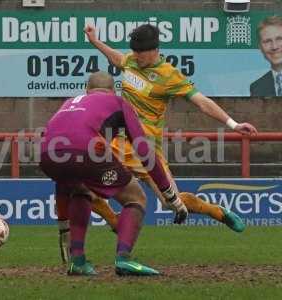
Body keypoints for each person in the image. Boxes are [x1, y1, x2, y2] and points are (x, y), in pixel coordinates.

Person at [66, 23, 258, 255]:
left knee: (171, 202)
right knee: (83, 188)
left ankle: (216, 212)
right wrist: (95, 42)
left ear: (154, 50)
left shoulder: (169, 76)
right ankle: (116, 223)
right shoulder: (131, 62)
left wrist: (233, 124)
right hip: (119, 144)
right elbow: (118, 59)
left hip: (147, 149)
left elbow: (201, 102)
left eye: (139, 52)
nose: (135, 56)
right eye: (133, 51)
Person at [40, 71, 187, 276]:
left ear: (86, 90)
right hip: (87, 151)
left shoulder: (68, 103)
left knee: (80, 189)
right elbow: (144, 151)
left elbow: (64, 177)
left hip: (46, 153)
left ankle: (77, 260)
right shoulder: (118, 102)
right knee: (135, 197)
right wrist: (170, 194)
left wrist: (63, 226)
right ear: (113, 90)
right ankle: (124, 259)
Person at [250, 15, 282, 97]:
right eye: (267, 41)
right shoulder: (257, 87)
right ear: (260, 47)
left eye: (279, 39)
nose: (274, 46)